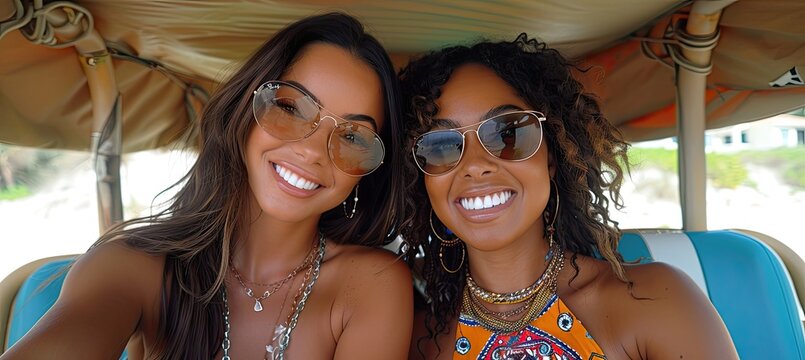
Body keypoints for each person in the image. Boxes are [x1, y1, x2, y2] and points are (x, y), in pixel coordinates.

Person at [1, 12, 413, 359]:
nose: (312, 151)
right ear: (244, 109)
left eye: (352, 137)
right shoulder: (133, 267)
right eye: (290, 108)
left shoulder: (371, 285)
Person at [399, 34, 738, 359]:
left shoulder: (653, 301)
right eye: (440, 146)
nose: (475, 166)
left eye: (508, 133)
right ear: (421, 179)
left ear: (551, 157)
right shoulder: (418, 342)